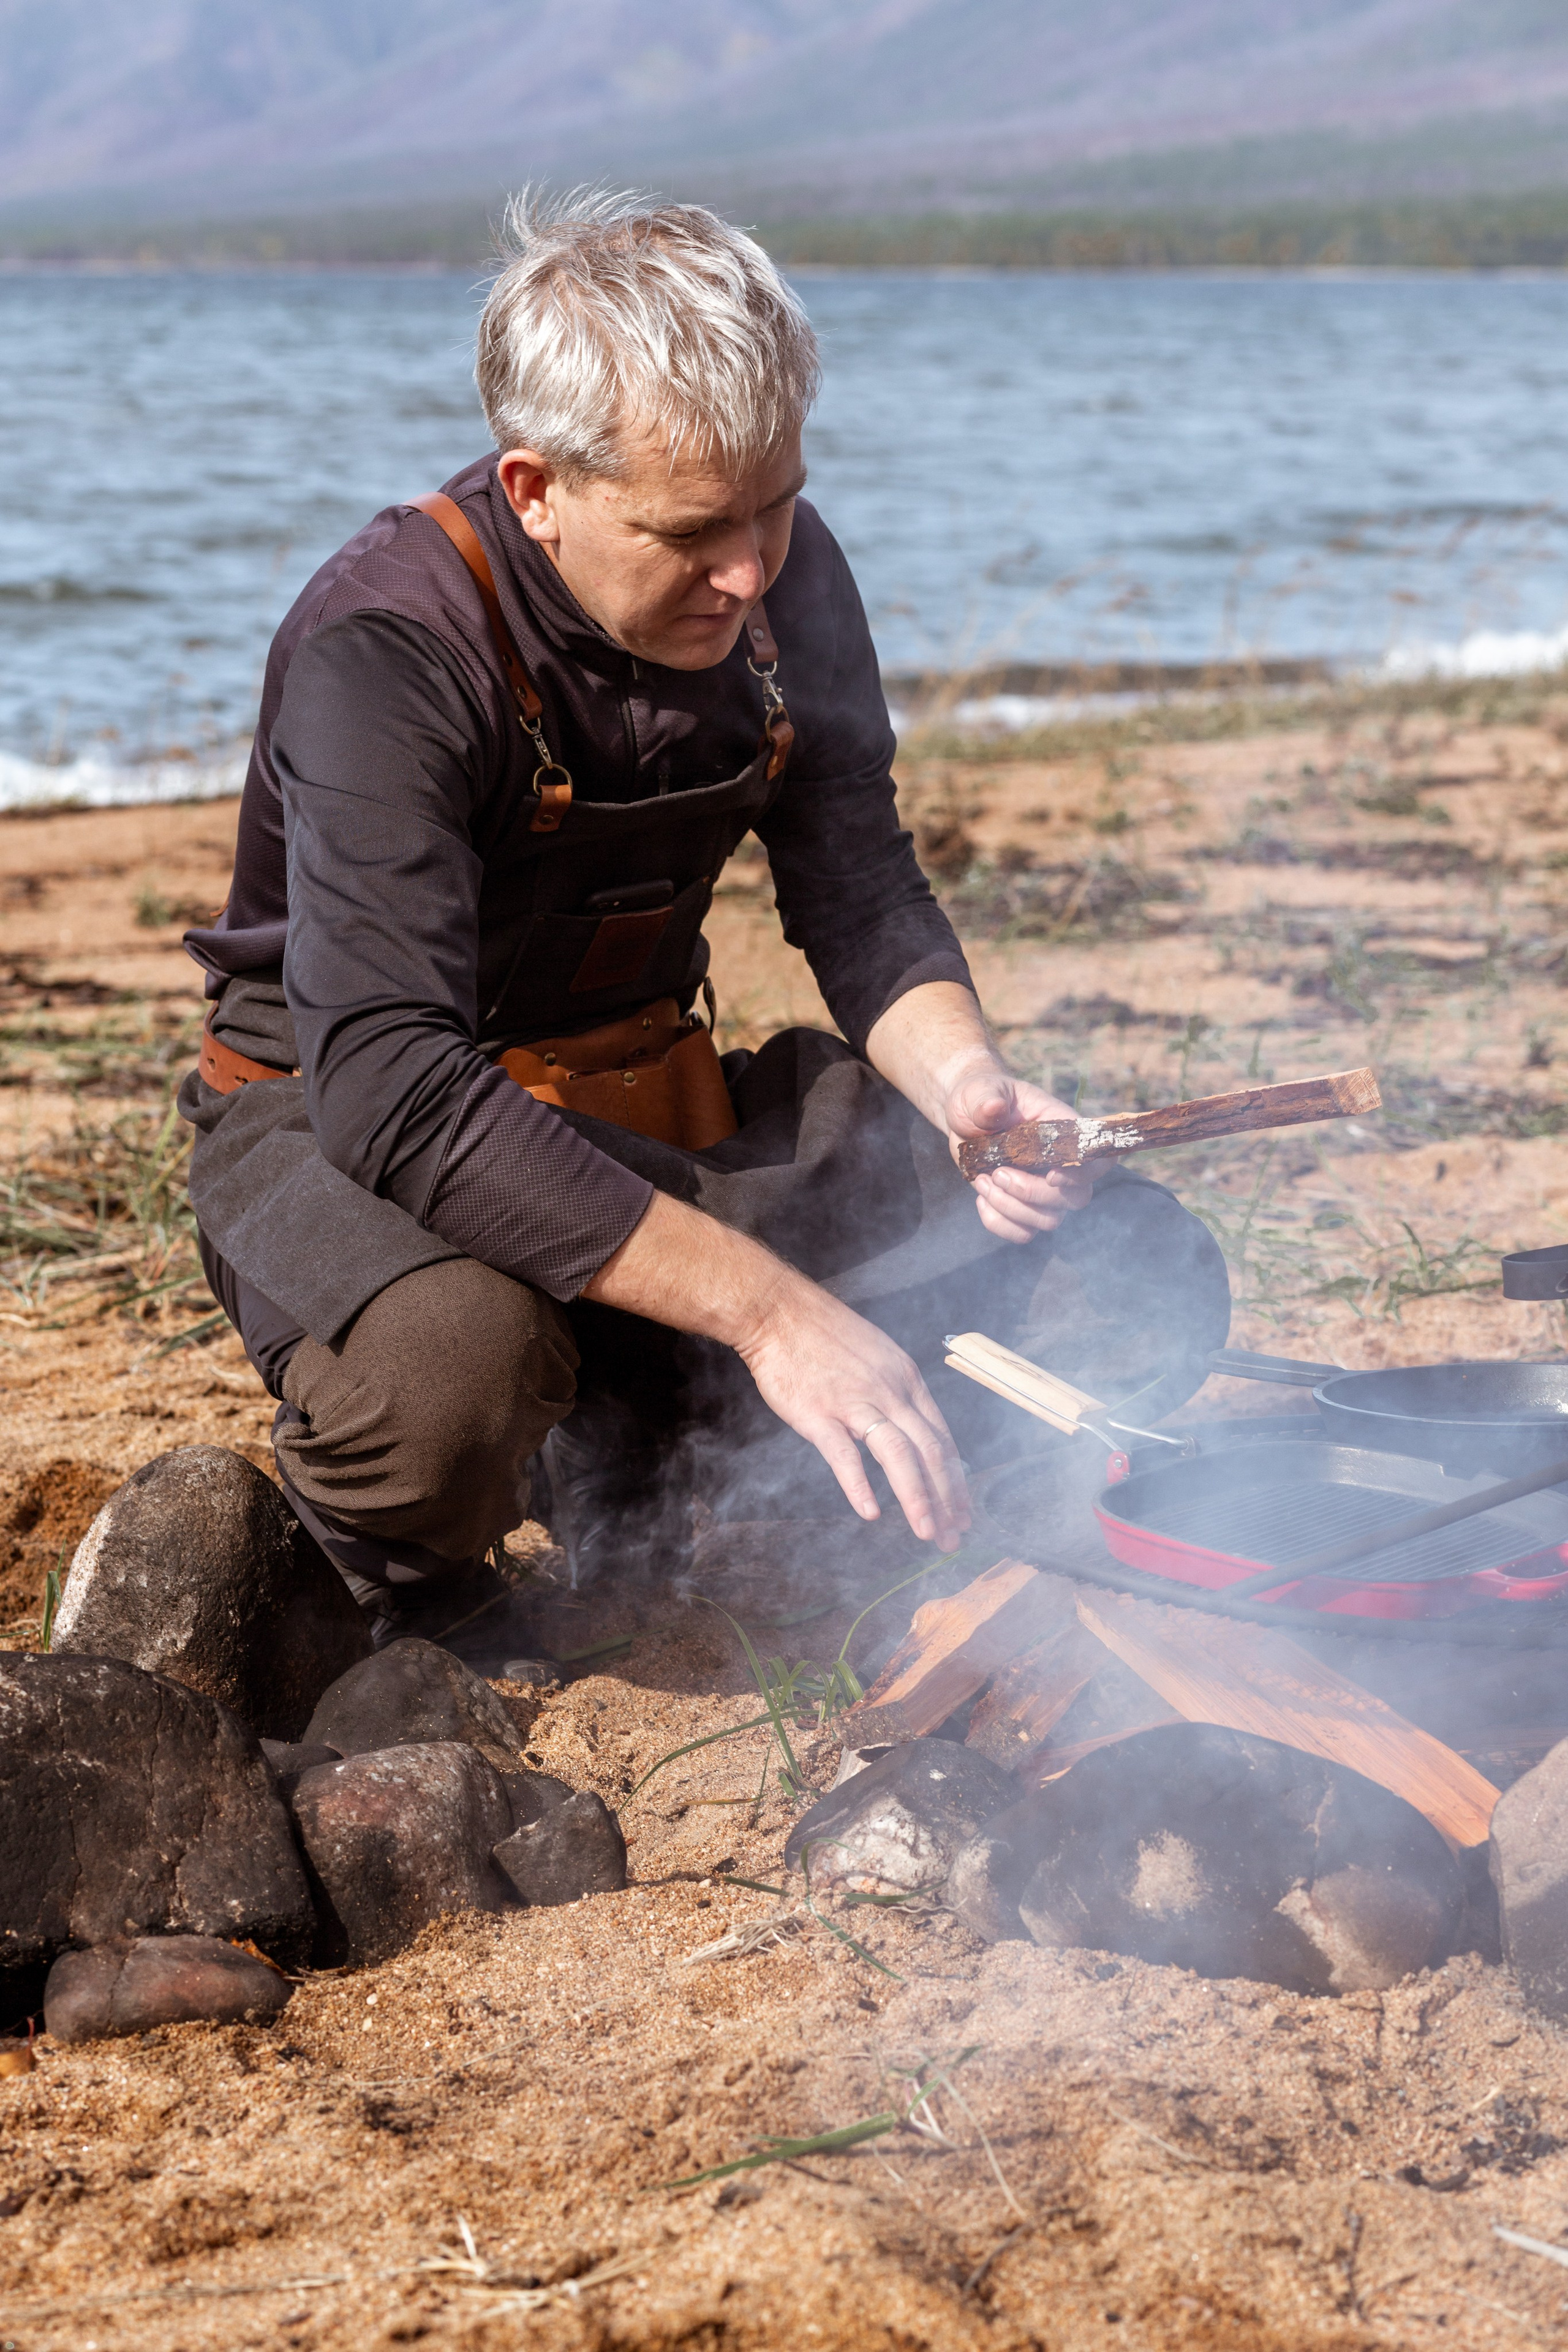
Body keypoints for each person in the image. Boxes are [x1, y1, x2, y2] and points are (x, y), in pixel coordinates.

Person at [180, 190, 1228, 1632]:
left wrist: (969, 1086)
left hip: (650, 1116)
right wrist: (774, 1316)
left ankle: (669, 1461)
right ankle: (404, 1582)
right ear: (536, 487)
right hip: (349, 1133)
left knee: (1138, 1264)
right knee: (452, 1380)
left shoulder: (781, 576)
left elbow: (858, 889)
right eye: (691, 532)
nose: (748, 574)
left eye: (775, 504)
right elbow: (396, 1094)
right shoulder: (390, 647)